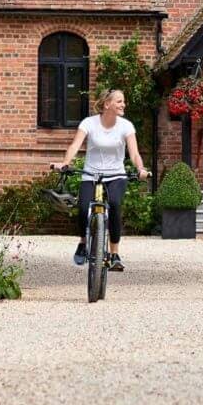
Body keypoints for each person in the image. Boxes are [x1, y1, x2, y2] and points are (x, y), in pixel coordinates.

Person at [57, 88, 149, 272]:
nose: (123, 105)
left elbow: (134, 153)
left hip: (116, 175)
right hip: (91, 174)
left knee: (114, 205)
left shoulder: (126, 126)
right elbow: (75, 145)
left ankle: (114, 254)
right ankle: (83, 243)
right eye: (119, 101)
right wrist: (65, 163)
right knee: (83, 208)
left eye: (123, 101)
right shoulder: (88, 123)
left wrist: (140, 168)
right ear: (107, 104)